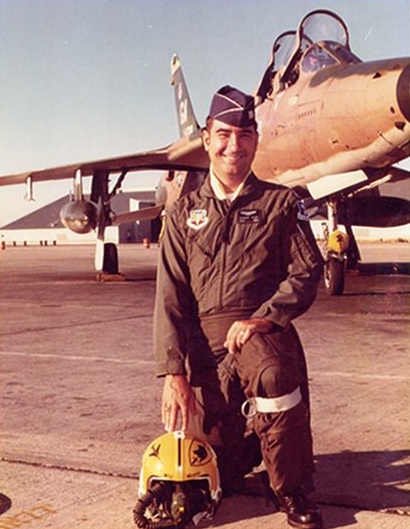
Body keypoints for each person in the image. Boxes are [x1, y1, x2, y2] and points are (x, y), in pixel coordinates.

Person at [153, 85, 324, 529]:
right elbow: (170, 296)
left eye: (245, 134)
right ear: (207, 138)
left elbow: (307, 272)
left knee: (273, 376)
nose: (235, 145)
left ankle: (293, 490)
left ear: (256, 139)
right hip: (203, 348)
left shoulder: (280, 203)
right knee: (219, 470)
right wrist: (175, 374)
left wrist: (265, 317)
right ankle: (249, 451)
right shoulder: (182, 213)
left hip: (260, 333)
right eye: (225, 134)